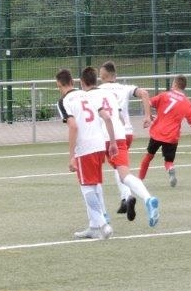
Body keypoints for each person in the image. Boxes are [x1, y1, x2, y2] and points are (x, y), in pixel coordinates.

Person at [56, 67, 118, 240]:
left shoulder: (64, 101)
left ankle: (103, 224)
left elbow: (73, 126)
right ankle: (93, 226)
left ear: (59, 85)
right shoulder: (88, 95)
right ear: (73, 82)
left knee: (86, 188)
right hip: (99, 144)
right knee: (95, 184)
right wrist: (113, 142)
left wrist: (72, 156)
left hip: (85, 147)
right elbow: (107, 117)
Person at [95, 64, 160, 226]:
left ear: (102, 76)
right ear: (115, 75)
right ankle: (127, 197)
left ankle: (123, 199)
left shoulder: (97, 91)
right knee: (120, 168)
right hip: (126, 132)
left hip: (108, 134)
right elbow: (144, 93)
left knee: (109, 172)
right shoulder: (125, 88)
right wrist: (147, 116)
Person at [138, 74, 191, 187]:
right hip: (172, 136)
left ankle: (139, 180)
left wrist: (148, 115)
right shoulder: (187, 102)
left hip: (157, 133)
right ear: (184, 86)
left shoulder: (164, 95)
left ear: (175, 84)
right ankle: (170, 169)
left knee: (148, 156)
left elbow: (148, 102)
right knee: (169, 161)